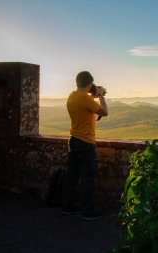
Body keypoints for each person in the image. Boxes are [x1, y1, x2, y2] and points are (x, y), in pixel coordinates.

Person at [61, 71, 108, 221]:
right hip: (86, 142)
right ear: (89, 83)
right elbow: (105, 112)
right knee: (87, 177)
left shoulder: (73, 96)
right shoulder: (84, 99)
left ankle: (68, 207)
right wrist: (101, 96)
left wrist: (93, 94)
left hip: (73, 140)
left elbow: (85, 100)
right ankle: (87, 211)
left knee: (72, 176)